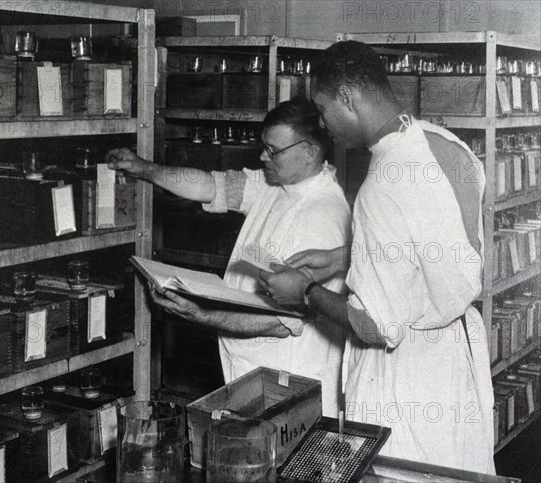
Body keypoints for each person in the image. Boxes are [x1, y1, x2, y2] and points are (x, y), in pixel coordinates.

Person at [259, 41, 495, 474]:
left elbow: (374, 326)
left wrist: (307, 291)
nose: (324, 124)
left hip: (406, 376)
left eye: (324, 108)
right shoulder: (448, 146)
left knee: (403, 472)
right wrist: (342, 258)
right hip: (454, 356)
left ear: (348, 98)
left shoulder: (380, 185)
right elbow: (436, 249)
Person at [107, 97, 352, 417]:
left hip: (289, 385)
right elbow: (210, 185)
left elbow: (282, 323)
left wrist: (203, 315)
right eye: (264, 146)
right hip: (252, 371)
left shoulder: (324, 216)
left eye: (273, 150)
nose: (264, 156)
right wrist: (143, 169)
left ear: (309, 152)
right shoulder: (276, 185)